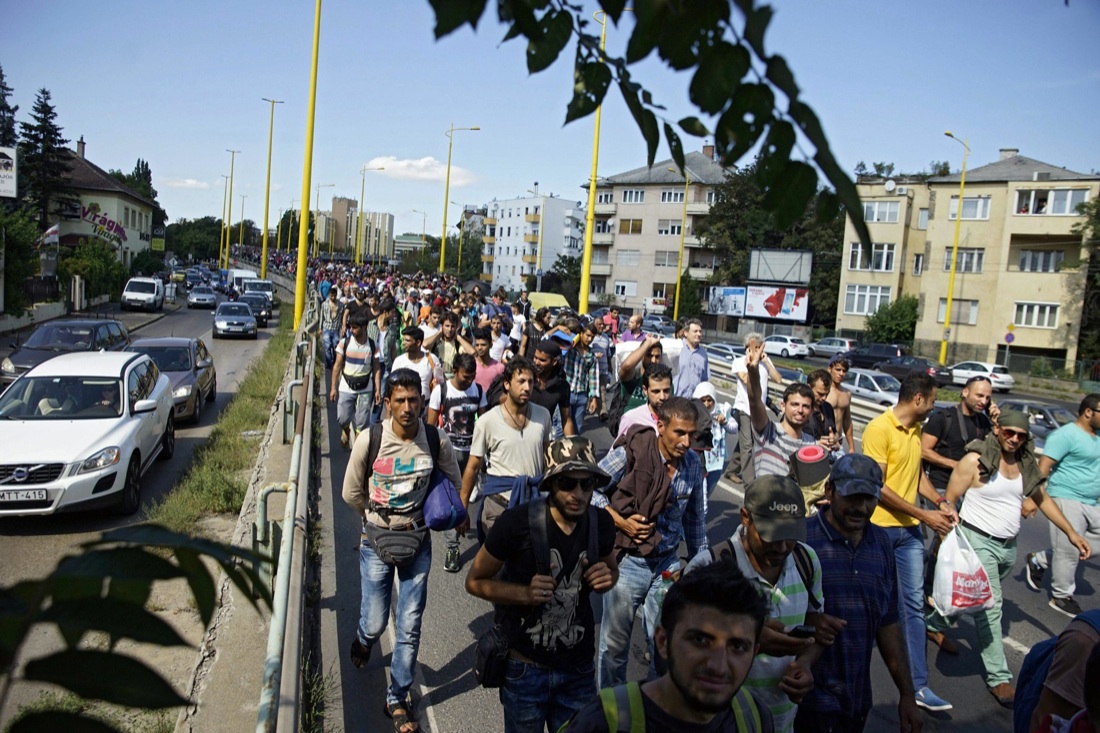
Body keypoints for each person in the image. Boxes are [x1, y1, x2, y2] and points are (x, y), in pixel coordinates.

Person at [925, 410, 1091, 707]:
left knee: (973, 597)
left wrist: (1070, 533)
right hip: (977, 542)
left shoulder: (1025, 464)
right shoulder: (975, 461)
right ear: (999, 429)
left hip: (1007, 548)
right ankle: (999, 677)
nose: (1014, 439)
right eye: (1010, 433)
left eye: (1022, 435)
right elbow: (949, 499)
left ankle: (935, 623)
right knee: (990, 606)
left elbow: (1042, 499)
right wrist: (945, 539)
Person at [465, 437, 619, 733]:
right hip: (525, 670)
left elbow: (611, 570)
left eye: (586, 484)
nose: (578, 493)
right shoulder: (516, 524)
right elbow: (475, 581)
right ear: (550, 484)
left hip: (578, 670)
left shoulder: (601, 523)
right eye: (567, 483)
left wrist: (607, 578)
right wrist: (523, 593)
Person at [342, 369, 463, 733]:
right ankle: (364, 641)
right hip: (376, 540)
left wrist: (436, 514)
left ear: (423, 400)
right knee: (376, 621)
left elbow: (453, 482)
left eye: (414, 400)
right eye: (400, 401)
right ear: (388, 402)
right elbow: (351, 493)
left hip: (418, 541)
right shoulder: (370, 439)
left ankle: (397, 698)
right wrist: (375, 519)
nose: (408, 407)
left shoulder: (434, 438)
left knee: (409, 626)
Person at [560, 558, 774, 733]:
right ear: (662, 641)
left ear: (755, 651)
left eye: (737, 647)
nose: (718, 665)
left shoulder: (754, 717)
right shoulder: (601, 723)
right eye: (700, 641)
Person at [686, 475, 823, 733]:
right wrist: (748, 641)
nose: (782, 547)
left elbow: (815, 632)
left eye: (789, 535)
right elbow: (677, 656)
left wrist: (804, 664)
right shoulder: (709, 568)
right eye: (772, 535)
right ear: (745, 518)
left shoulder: (807, 561)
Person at [796, 454, 922, 733]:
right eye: (852, 497)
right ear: (830, 491)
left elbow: (888, 624)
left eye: (869, 499)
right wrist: (808, 622)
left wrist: (907, 695)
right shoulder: (801, 541)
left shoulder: (882, 546)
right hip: (805, 700)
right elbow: (770, 614)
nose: (861, 507)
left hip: (856, 701)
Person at [594, 396, 707, 688]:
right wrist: (620, 522)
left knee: (666, 647)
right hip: (629, 564)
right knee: (614, 648)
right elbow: (590, 491)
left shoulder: (693, 465)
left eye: (691, 434)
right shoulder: (634, 451)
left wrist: (701, 567)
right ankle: (610, 712)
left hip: (668, 565)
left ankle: (654, 710)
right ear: (660, 426)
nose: (685, 441)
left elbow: (695, 520)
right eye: (679, 433)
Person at [863, 372, 957, 712]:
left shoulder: (916, 429)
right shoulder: (879, 429)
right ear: (918, 399)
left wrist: (940, 504)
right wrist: (924, 513)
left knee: (913, 607)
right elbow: (879, 487)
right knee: (868, 606)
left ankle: (918, 685)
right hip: (879, 531)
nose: (933, 407)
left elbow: (916, 475)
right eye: (931, 401)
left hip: (910, 534)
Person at [459, 357, 553, 540]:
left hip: (534, 504)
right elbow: (473, 465)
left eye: (531, 382)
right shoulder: (487, 422)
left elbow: (549, 457)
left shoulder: (543, 415)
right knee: (497, 565)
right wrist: (463, 507)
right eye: (521, 381)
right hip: (498, 505)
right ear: (507, 384)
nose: (527, 387)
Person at [1026, 393, 1100, 617]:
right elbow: (1044, 465)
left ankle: (1040, 559)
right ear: (1089, 412)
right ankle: (1061, 596)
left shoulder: (1097, 437)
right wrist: (1033, 498)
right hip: (1065, 497)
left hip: (1093, 501)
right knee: (1068, 550)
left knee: (1081, 546)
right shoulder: (1065, 435)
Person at [427, 353, 488, 573]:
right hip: (448, 454)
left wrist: (485, 455)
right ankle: (453, 547)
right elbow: (431, 426)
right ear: (455, 371)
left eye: (472, 377)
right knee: (452, 502)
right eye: (465, 378)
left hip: (472, 454)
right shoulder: (440, 391)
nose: (469, 382)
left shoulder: (479, 391)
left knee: (472, 500)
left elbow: (484, 423)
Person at [744, 341, 816, 479]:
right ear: (783, 406)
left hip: (793, 500)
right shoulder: (768, 431)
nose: (800, 410)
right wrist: (753, 372)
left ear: (811, 411)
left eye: (806, 406)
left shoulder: (810, 443)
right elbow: (755, 400)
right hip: (765, 499)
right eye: (795, 404)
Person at [728, 333, 785, 484]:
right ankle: (749, 482)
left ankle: (731, 470)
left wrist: (765, 362)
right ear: (747, 349)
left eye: (759, 348)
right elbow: (746, 379)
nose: (757, 351)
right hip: (743, 409)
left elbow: (778, 379)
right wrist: (752, 364)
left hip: (758, 411)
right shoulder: (739, 362)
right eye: (754, 348)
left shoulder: (765, 363)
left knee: (747, 441)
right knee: (747, 446)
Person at [330, 311, 382, 449]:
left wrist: (377, 389)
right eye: (350, 327)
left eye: (354, 327)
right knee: (342, 418)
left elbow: (376, 368)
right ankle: (346, 430)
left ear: (364, 327)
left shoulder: (372, 346)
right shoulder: (344, 344)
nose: (351, 330)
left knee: (362, 422)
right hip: (346, 386)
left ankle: (358, 452)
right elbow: (337, 366)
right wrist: (333, 388)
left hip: (366, 388)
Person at [693, 382, 738, 495]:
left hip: (716, 462)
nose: (707, 404)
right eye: (703, 400)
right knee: (697, 494)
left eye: (710, 400)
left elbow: (734, 428)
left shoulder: (721, 410)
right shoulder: (692, 412)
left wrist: (724, 422)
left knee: (707, 492)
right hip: (699, 459)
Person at [530, 339, 577, 440]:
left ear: (554, 361)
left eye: (542, 360)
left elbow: (566, 420)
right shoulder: (527, 377)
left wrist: (572, 443)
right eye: (535, 358)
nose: (536, 362)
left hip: (542, 437)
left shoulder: (561, 386)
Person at [615, 363, 673, 439]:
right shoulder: (631, 419)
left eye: (666, 391)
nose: (662, 397)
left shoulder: (679, 418)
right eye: (656, 391)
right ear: (645, 390)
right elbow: (618, 450)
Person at [389, 327, 444, 407]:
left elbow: (441, 382)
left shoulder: (432, 359)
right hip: (405, 406)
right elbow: (392, 386)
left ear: (418, 343)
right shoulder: (399, 361)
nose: (403, 343)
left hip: (427, 406)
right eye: (403, 340)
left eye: (407, 340)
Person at [564, 323, 600, 432]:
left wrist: (594, 399)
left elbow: (593, 378)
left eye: (592, 337)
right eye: (587, 335)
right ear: (581, 334)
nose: (589, 339)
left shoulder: (592, 356)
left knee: (577, 428)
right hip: (567, 393)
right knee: (562, 427)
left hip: (582, 395)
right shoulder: (569, 349)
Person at [804, 369, 841, 454]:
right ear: (809, 388)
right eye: (820, 394)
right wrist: (815, 445)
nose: (824, 398)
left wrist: (834, 439)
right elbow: (790, 438)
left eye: (827, 394)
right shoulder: (800, 410)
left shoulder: (828, 407)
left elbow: (835, 434)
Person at [429, 311, 475, 380]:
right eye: (447, 326)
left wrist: (458, 337)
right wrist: (438, 333)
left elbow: (472, 352)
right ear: (442, 326)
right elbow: (424, 345)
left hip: (452, 381)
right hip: (437, 380)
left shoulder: (457, 343)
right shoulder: (436, 341)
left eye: (452, 326)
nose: (450, 329)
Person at [824, 355, 855, 453]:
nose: (841, 373)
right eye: (838, 370)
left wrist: (851, 447)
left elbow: (847, 420)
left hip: (838, 441)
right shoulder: (823, 392)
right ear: (830, 369)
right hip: (823, 440)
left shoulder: (847, 393)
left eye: (844, 371)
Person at [672, 318, 708, 398]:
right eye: (695, 331)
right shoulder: (676, 347)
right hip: (675, 400)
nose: (698, 334)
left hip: (693, 403)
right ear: (686, 333)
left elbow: (704, 379)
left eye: (700, 331)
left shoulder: (703, 354)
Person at [472, 328, 505, 396]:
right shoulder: (471, 365)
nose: (480, 348)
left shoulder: (499, 368)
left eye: (483, 345)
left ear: (490, 345)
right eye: (477, 345)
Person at [320, 287, 344, 369]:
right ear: (329, 295)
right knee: (327, 347)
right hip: (326, 328)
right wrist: (320, 328)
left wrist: (342, 328)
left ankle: (334, 361)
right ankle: (329, 364)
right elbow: (321, 317)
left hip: (336, 329)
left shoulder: (341, 305)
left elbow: (342, 318)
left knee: (336, 347)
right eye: (331, 296)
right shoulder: (324, 304)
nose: (333, 298)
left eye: (334, 296)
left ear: (336, 295)